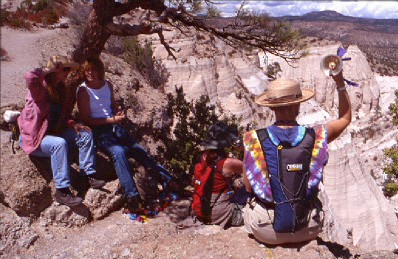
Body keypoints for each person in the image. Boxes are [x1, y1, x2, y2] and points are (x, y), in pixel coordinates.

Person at [242, 72, 351, 244]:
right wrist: (340, 83)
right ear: (298, 106)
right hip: (307, 227)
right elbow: (345, 118)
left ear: (271, 107)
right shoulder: (317, 135)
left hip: (266, 230)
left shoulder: (252, 139)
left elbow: (248, 187)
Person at [76, 57, 176, 213]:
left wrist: (118, 114)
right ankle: (132, 196)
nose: (90, 73)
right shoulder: (83, 91)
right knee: (118, 152)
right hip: (99, 130)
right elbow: (87, 119)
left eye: (93, 69)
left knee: (138, 150)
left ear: (99, 70)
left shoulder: (107, 84)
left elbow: (113, 106)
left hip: (114, 126)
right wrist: (112, 119)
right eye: (87, 70)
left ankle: (168, 180)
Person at [18, 55, 106, 207]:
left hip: (52, 133)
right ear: (55, 71)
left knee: (85, 135)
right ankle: (62, 191)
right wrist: (47, 69)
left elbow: (61, 115)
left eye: (69, 69)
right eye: (65, 69)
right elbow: (29, 77)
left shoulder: (61, 89)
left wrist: (72, 124)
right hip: (35, 137)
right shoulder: (40, 88)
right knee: (59, 144)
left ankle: (88, 175)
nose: (67, 72)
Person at [192, 122, 247, 228]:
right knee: (255, 213)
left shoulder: (204, 157)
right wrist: (242, 148)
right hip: (220, 213)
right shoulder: (228, 163)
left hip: (202, 208)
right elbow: (252, 169)